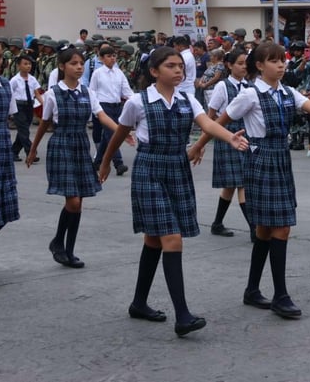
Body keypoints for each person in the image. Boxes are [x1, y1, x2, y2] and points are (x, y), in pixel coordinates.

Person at [189, 42, 310, 320]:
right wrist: (198, 146)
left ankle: (252, 290)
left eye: (282, 60)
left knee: (264, 232)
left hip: (280, 160)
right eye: (274, 61)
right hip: (260, 161)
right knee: (281, 229)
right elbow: (218, 121)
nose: (281, 65)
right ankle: (281, 296)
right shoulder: (250, 94)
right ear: (259, 66)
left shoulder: (286, 92)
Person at [98, 46, 248, 337]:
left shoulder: (187, 99)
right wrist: (105, 162)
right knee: (171, 237)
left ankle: (139, 303)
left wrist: (229, 137)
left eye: (180, 65)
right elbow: (118, 134)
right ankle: (183, 315)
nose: (178, 70)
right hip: (150, 169)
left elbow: (207, 124)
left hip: (177, 168)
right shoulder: (138, 102)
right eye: (170, 66)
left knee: (154, 239)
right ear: (154, 71)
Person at [27, 47, 129, 269]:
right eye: (74, 63)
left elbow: (101, 116)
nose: (79, 67)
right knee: (72, 201)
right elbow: (44, 124)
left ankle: (68, 249)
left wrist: (123, 132)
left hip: (81, 145)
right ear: (62, 67)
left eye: (81, 63)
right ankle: (58, 242)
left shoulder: (87, 93)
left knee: (79, 202)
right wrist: (33, 150)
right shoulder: (53, 93)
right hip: (62, 145)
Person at [206, 50, 254, 240]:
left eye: (245, 63)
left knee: (231, 185)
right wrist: (214, 136)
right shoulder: (222, 86)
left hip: (247, 137)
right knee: (242, 183)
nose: (244, 66)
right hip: (228, 137)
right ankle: (254, 229)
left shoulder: (249, 86)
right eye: (240, 63)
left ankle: (217, 223)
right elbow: (210, 115)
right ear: (229, 65)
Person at [0, 40, 20, 288]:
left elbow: (9, 114)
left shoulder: (4, 85)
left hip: (2, 145)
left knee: (2, 210)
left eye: (0, 56)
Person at [89, 46, 134, 176]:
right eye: (108, 56)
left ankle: (97, 161)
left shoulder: (119, 73)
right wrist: (96, 109)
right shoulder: (98, 73)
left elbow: (126, 90)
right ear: (101, 59)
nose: (112, 59)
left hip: (116, 106)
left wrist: (134, 100)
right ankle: (118, 163)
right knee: (112, 134)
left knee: (107, 136)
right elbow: (92, 91)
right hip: (103, 106)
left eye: (114, 56)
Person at [9, 54, 43, 162]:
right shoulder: (15, 80)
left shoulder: (32, 79)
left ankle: (13, 152)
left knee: (23, 130)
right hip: (18, 106)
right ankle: (31, 152)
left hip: (29, 105)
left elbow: (37, 93)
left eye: (29, 64)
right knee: (24, 130)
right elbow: (10, 94)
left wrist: (44, 104)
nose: (28, 66)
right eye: (25, 64)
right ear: (19, 66)